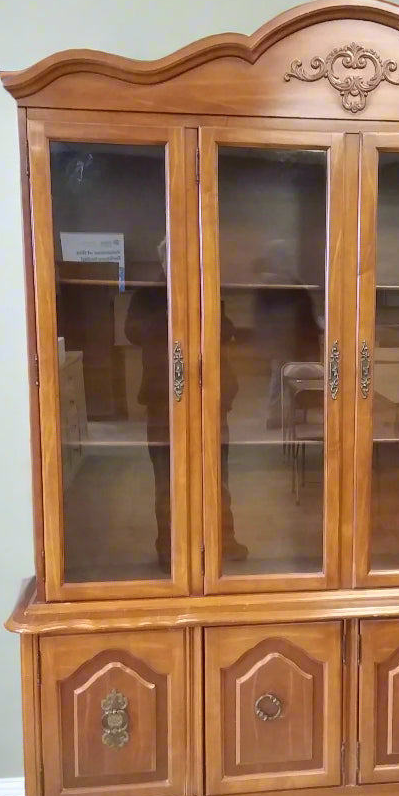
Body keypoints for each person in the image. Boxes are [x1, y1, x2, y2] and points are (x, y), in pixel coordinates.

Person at [125, 239, 246, 571]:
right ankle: (169, 547)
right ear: (162, 261)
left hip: (211, 397)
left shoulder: (206, 287)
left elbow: (226, 331)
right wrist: (172, 313)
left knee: (216, 473)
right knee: (167, 477)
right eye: (173, 258)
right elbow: (133, 332)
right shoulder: (146, 295)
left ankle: (224, 540)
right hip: (163, 397)